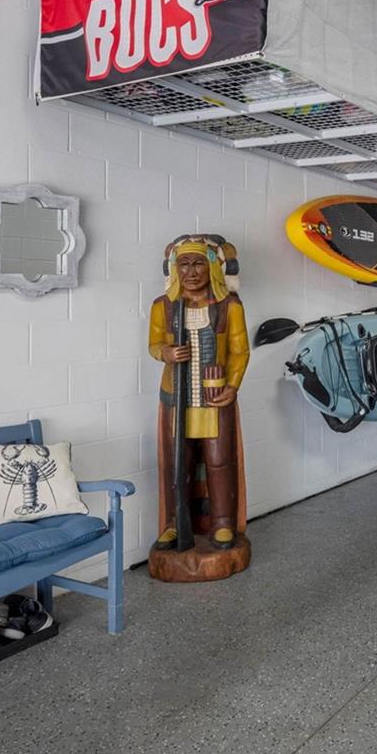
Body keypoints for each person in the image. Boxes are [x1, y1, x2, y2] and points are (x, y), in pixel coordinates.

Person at [147, 236, 248, 552]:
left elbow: (240, 350)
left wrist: (231, 385)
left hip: (214, 397)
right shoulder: (162, 306)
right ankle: (176, 524)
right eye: (184, 264)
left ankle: (222, 523)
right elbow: (152, 345)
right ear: (175, 270)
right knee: (178, 463)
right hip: (176, 398)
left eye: (199, 263)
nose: (191, 272)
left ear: (213, 267)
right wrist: (165, 352)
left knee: (219, 461)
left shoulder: (229, 306)